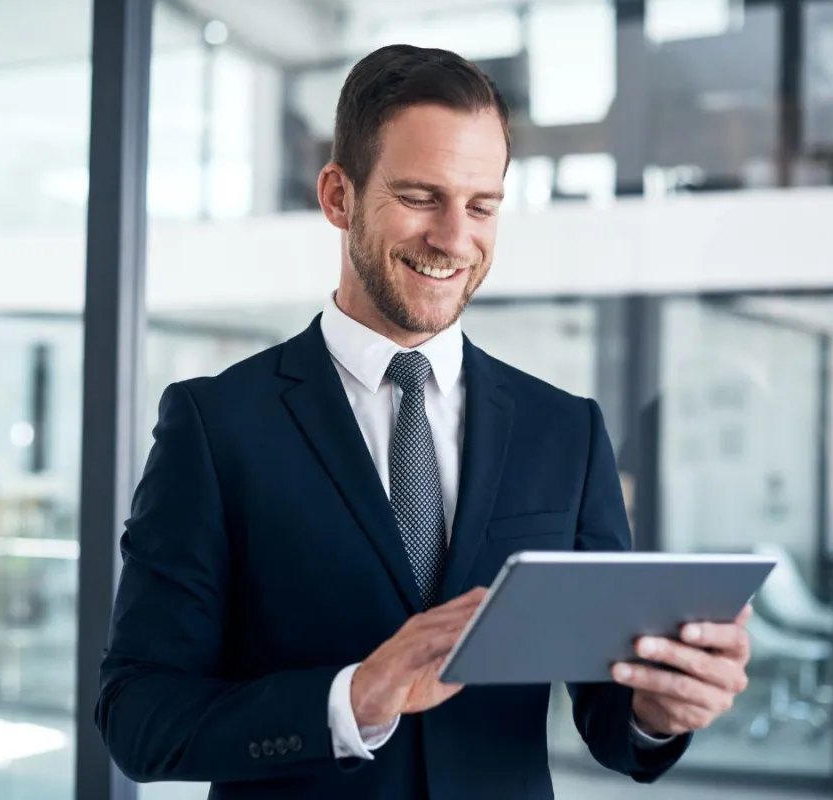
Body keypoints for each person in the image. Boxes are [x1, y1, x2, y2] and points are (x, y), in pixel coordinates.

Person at [96, 44, 753, 799]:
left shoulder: (563, 433)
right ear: (339, 196)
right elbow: (138, 716)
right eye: (419, 197)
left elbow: (608, 710)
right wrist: (351, 699)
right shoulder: (216, 426)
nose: (453, 238)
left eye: (481, 206)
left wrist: (657, 710)